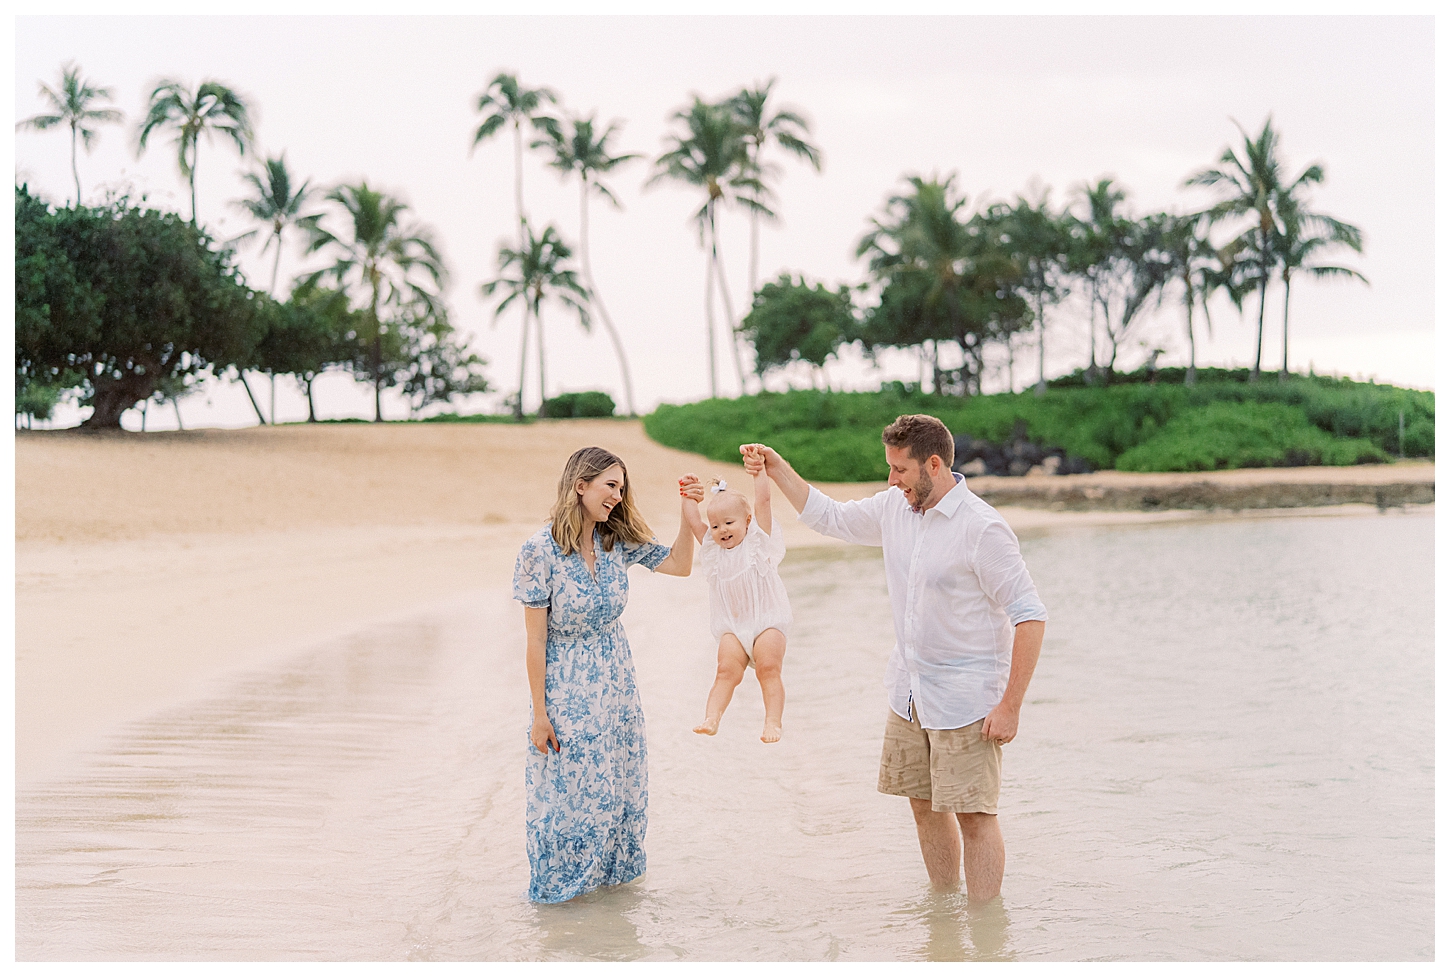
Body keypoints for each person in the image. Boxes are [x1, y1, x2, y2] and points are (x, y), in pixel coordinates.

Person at [741, 415, 1047, 902]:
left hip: (967, 700)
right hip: (908, 693)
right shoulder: (894, 509)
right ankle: (944, 915)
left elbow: (1029, 616)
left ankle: (987, 935)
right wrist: (777, 469)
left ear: (933, 464)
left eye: (899, 469)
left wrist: (1010, 706)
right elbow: (830, 517)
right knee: (923, 806)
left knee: (975, 816)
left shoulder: (983, 529)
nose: (891, 480)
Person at [512, 446, 704, 903]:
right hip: (568, 688)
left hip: (617, 685)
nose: (618, 496)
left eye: (622, 488)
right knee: (571, 796)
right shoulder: (540, 551)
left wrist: (688, 510)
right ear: (581, 486)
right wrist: (540, 714)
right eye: (610, 486)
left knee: (617, 790)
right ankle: (559, 901)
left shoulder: (613, 540)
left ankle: (607, 908)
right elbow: (535, 641)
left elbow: (679, 565)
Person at [684, 449, 793, 743]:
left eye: (729, 523)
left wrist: (759, 474)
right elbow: (696, 525)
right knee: (725, 671)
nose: (722, 531)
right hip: (733, 626)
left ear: (747, 521)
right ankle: (711, 718)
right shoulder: (714, 553)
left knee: (768, 670)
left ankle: (773, 722)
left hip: (768, 621)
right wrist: (688, 499)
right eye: (716, 526)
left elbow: (764, 502)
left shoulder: (759, 543)